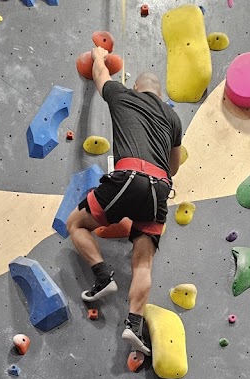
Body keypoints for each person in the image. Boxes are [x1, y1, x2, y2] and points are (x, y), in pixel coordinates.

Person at [66, 47, 183, 356]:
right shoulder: (173, 117)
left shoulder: (123, 95)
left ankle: (103, 276)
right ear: (160, 94)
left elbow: (99, 75)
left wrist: (98, 56)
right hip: (160, 189)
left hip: (130, 176)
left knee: (76, 223)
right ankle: (133, 322)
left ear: (136, 87)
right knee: (143, 262)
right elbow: (173, 167)